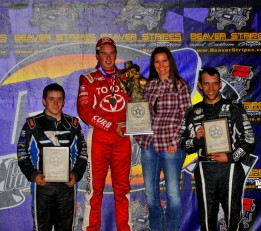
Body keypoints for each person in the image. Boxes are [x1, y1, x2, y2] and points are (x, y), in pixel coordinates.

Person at [179, 67, 256, 231]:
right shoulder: (192, 112)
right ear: (200, 85)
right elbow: (182, 142)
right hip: (205, 169)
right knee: (206, 220)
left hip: (231, 168)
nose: (211, 88)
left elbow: (250, 140)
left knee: (233, 219)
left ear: (220, 84)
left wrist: (230, 158)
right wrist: (197, 140)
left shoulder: (235, 108)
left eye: (215, 84)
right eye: (206, 84)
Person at [77, 37, 132, 231]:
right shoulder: (88, 78)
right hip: (99, 137)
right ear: (97, 55)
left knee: (123, 190)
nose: (108, 58)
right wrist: (110, 126)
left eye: (112, 53)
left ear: (116, 55)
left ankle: (126, 228)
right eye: (104, 53)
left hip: (123, 138)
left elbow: (137, 106)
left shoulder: (127, 77)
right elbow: (84, 112)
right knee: (94, 191)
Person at [17, 83, 88, 231]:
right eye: (51, 99)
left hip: (67, 187)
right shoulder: (32, 124)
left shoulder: (73, 124)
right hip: (41, 187)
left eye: (59, 99)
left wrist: (76, 174)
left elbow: (82, 153)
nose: (55, 103)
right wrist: (33, 174)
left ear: (63, 101)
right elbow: (22, 152)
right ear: (44, 101)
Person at [135, 46, 192, 231]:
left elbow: (187, 116)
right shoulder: (149, 86)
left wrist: (175, 141)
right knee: (151, 195)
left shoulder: (180, 85)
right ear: (153, 64)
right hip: (149, 145)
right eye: (157, 61)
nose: (161, 65)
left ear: (170, 62)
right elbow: (141, 115)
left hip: (171, 145)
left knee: (173, 193)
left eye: (164, 60)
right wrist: (137, 134)